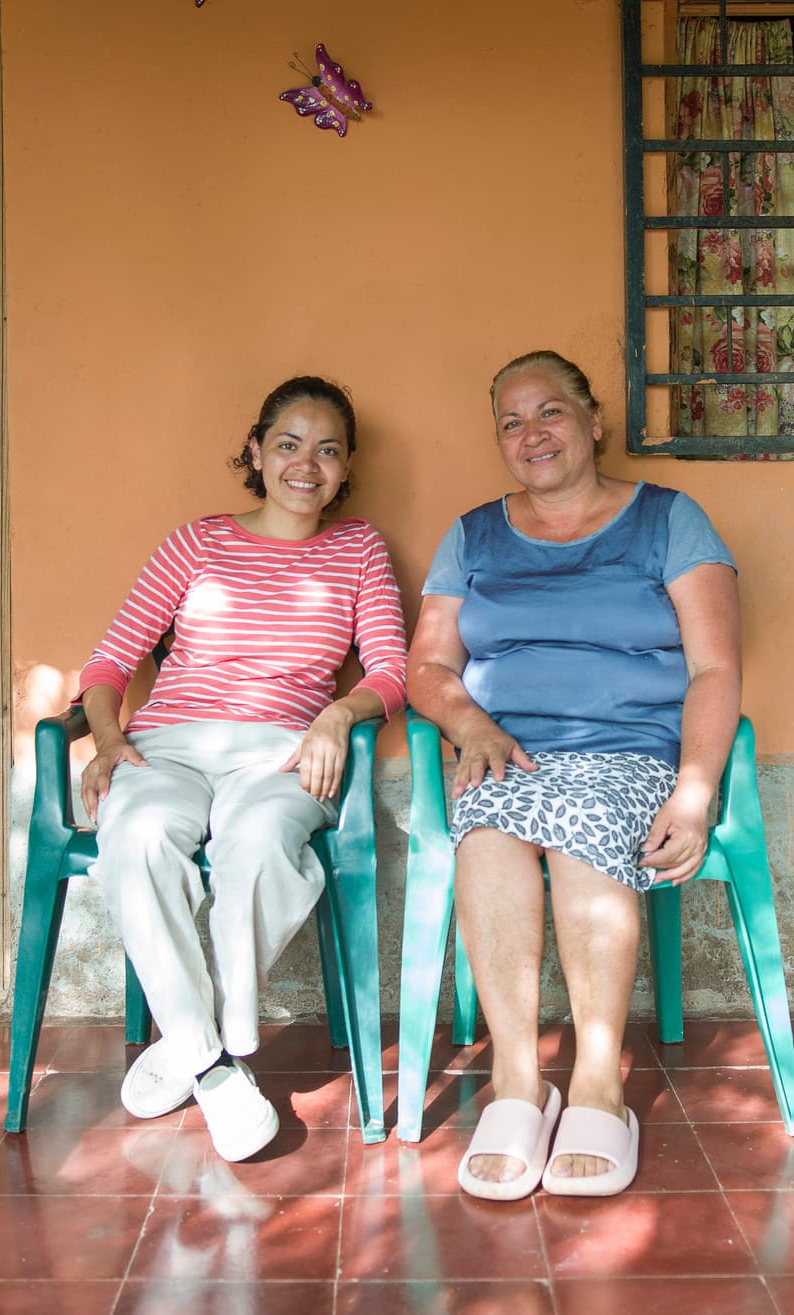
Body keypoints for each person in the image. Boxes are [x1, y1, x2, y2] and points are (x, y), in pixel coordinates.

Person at [409, 350, 741, 1198]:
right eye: (511, 422)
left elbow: (713, 672)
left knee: (585, 836)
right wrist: (469, 722)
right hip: (508, 748)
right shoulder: (473, 534)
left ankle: (598, 1081)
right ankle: (518, 1080)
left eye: (550, 412)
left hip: (626, 752)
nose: (533, 434)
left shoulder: (669, 519)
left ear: (594, 422)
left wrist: (695, 790)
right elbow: (427, 666)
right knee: (486, 833)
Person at [75, 375, 405, 1163]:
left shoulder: (358, 548)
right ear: (257, 451)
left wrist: (335, 714)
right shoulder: (197, 542)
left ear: (348, 463)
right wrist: (109, 741)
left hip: (283, 752)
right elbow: (110, 661)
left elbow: (390, 671)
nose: (306, 464)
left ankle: (185, 1047)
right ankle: (216, 1069)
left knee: (259, 844)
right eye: (288, 445)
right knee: (140, 835)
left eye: (327, 450)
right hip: (172, 745)